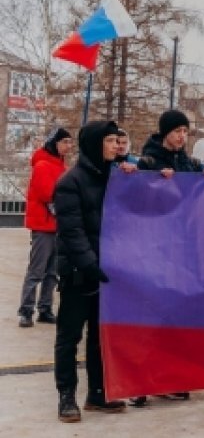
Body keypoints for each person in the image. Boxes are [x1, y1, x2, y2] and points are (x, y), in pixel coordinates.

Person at [53, 120, 126, 423]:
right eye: (110, 140)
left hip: (104, 272)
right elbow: (72, 231)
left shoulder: (117, 177)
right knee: (69, 337)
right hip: (78, 273)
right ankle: (66, 396)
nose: (116, 145)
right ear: (96, 144)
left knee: (99, 337)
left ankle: (97, 392)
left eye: (117, 140)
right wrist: (90, 265)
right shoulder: (70, 182)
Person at [20, 127, 71, 328]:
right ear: (55, 143)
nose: (69, 146)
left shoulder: (60, 166)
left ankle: (45, 308)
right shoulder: (43, 165)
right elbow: (48, 193)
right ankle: (26, 310)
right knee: (37, 270)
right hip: (43, 225)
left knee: (52, 272)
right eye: (65, 142)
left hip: (56, 225)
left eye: (70, 142)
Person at [138, 109, 204, 176]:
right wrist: (158, 178)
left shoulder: (194, 164)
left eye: (185, 131)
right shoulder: (148, 163)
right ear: (166, 133)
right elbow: (138, 186)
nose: (182, 136)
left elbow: (201, 187)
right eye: (177, 131)